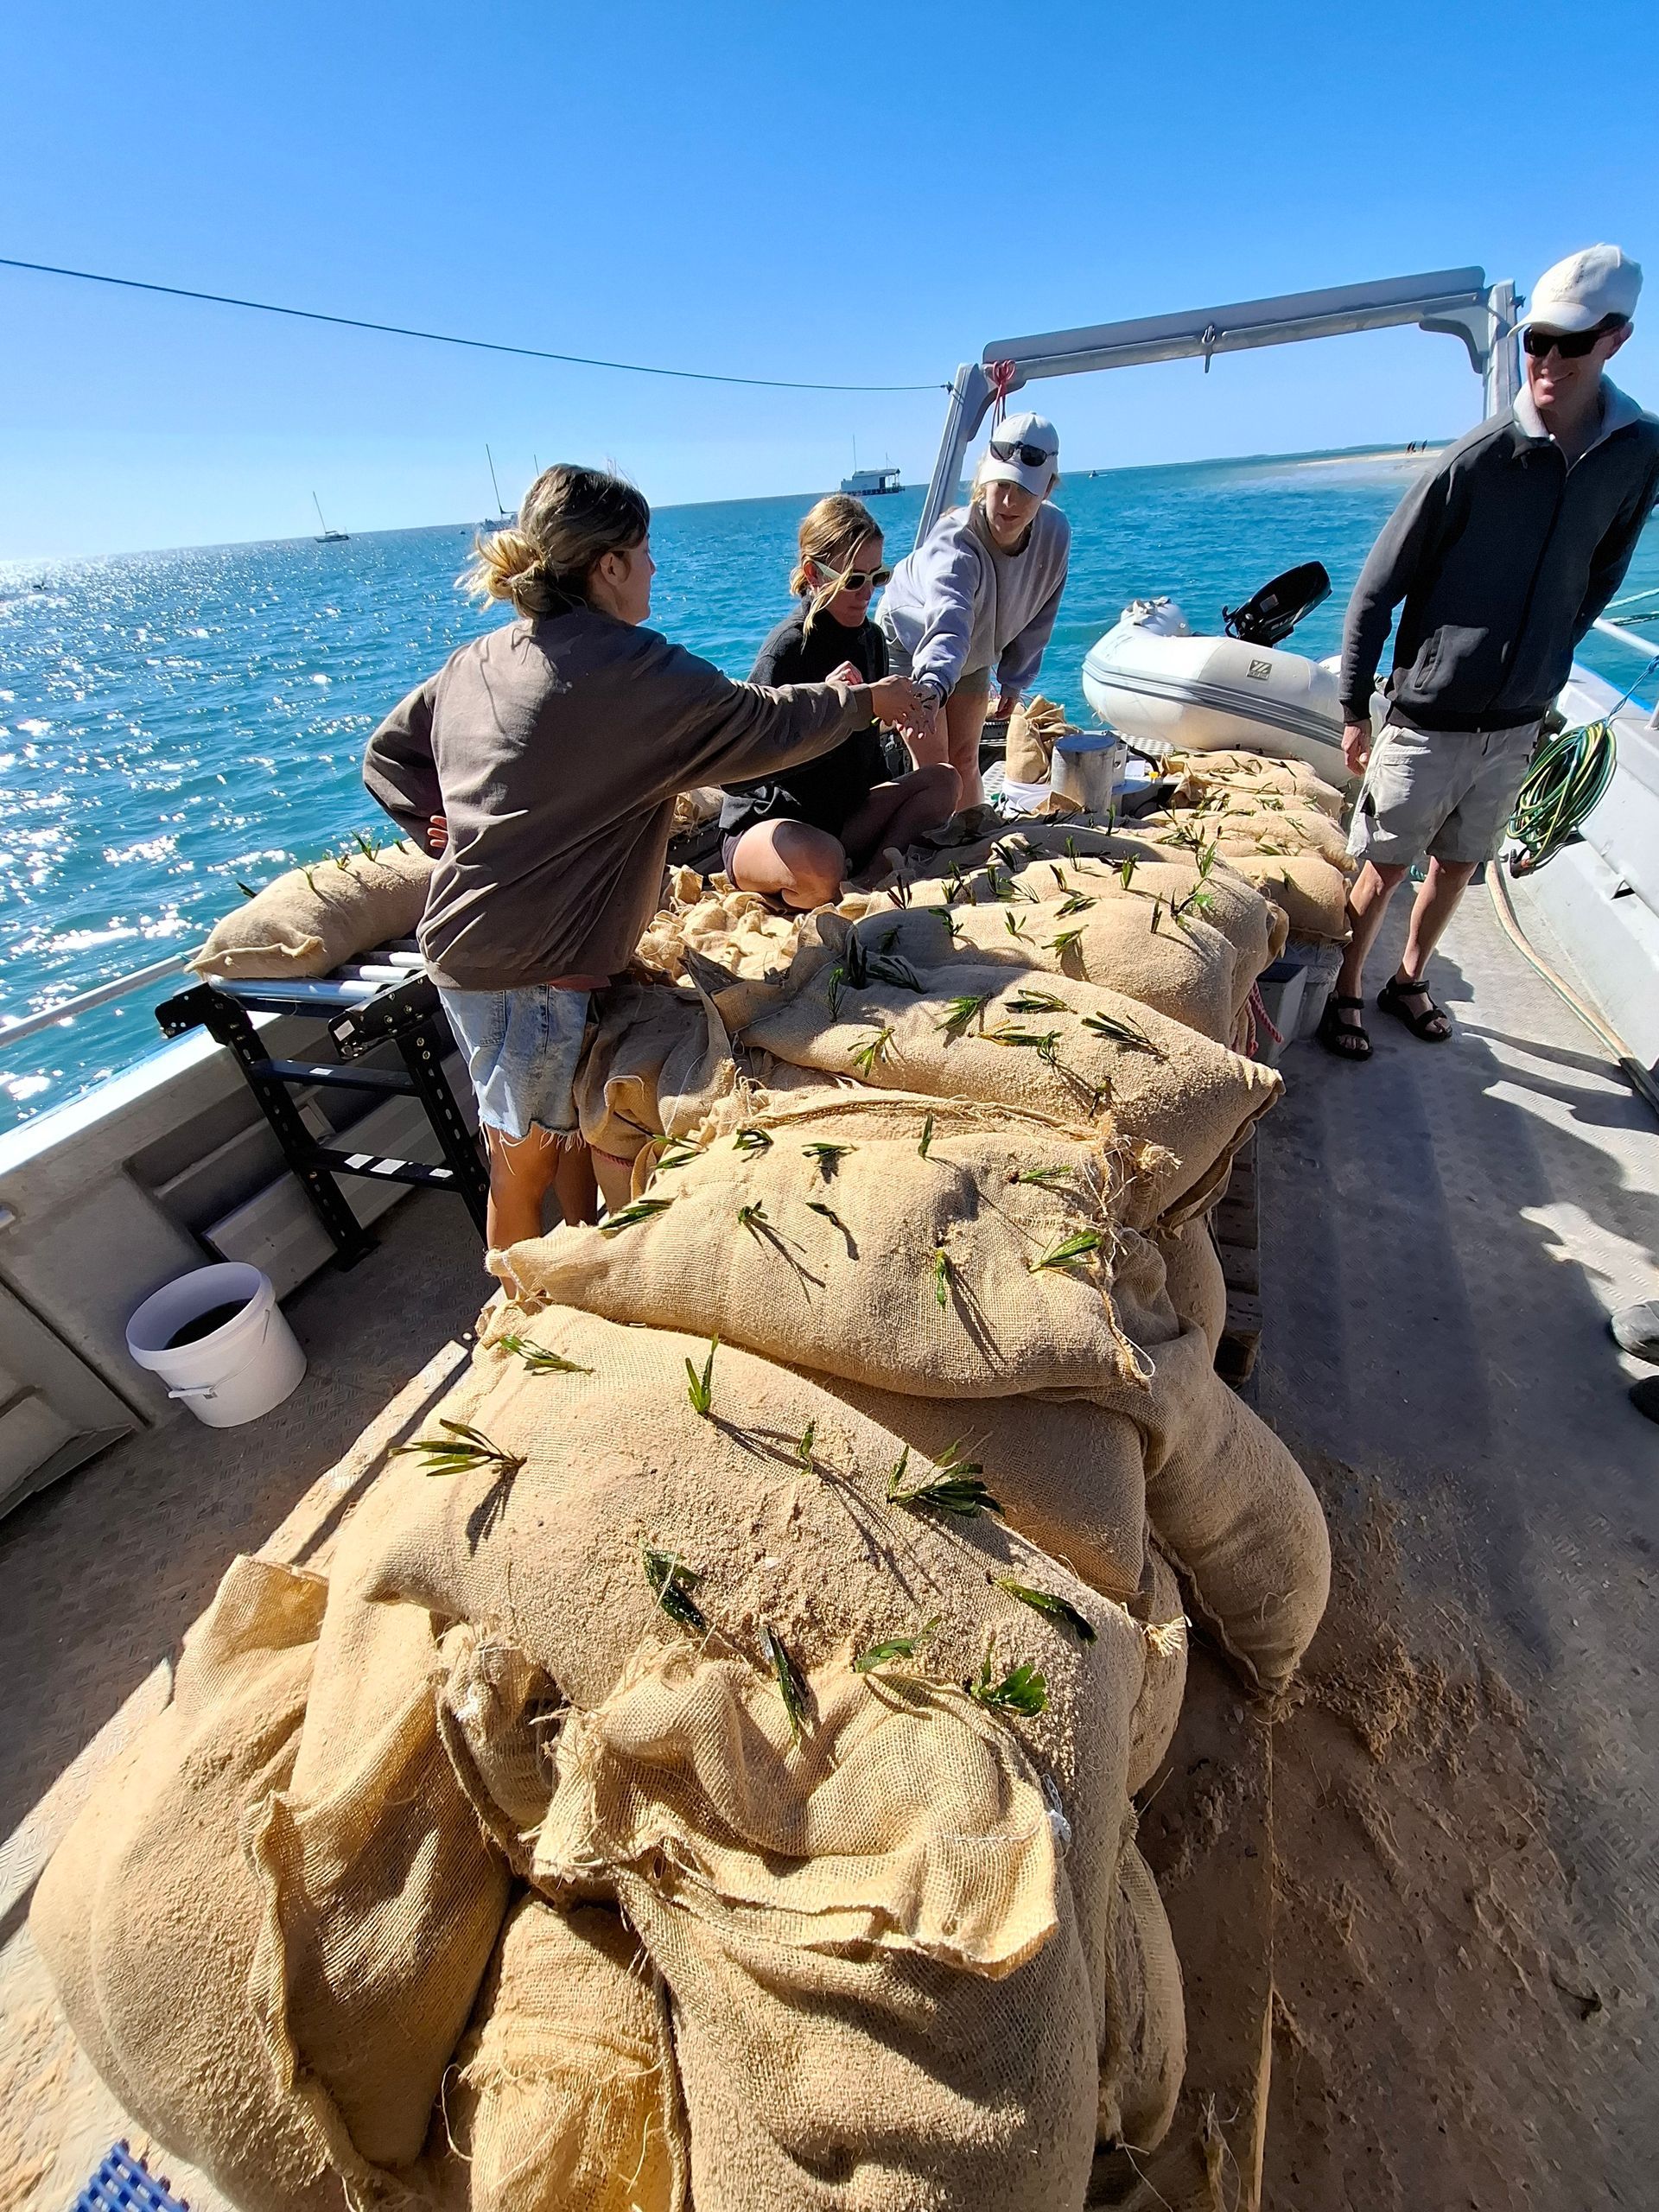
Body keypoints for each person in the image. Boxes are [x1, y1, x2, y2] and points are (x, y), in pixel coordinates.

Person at [363, 464, 924, 1247]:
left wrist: (436, 819)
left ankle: (581, 1257)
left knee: (560, 1135)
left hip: (488, 948)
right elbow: (759, 722)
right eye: (646, 550)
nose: (656, 568)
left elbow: (388, 754)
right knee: (521, 1163)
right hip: (520, 967)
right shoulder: (630, 669)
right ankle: (522, 1321)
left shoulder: (483, 656)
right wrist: (865, 702)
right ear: (610, 566)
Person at [1323, 245, 1659, 1060]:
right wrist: (1355, 708)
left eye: (1568, 343)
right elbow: (1375, 589)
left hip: (1517, 719)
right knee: (1385, 867)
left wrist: (1548, 660)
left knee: (1461, 864)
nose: (1545, 359)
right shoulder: (1476, 461)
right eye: (1535, 340)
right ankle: (1344, 992)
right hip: (1430, 713)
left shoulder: (1640, 452)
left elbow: (1605, 569)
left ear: (1615, 338)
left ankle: (1409, 979)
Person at [720, 496, 961, 907]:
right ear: (813, 574)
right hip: (770, 821)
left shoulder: (869, 640)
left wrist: (898, 715)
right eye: (852, 579)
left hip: (839, 816)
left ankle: (869, 881)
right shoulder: (788, 648)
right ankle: (825, 880)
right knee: (821, 859)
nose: (866, 592)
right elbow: (738, 773)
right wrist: (831, 706)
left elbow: (864, 766)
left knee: (944, 781)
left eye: (877, 577)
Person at [877, 411, 1071, 807]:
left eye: (1024, 489)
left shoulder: (1055, 534)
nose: (1008, 500)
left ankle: (973, 837)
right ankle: (932, 853)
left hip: (974, 647)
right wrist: (931, 689)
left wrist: (1014, 682)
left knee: (965, 759)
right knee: (937, 771)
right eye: (1000, 484)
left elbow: (1040, 616)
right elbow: (948, 622)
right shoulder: (957, 543)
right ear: (984, 477)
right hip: (912, 643)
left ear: (1048, 488)